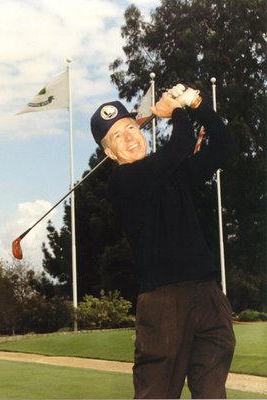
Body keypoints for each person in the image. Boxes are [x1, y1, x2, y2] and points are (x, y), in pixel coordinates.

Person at [90, 85, 236, 399]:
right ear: (110, 153)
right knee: (156, 393)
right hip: (163, 304)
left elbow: (224, 144)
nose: (129, 137)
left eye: (130, 127)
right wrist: (177, 111)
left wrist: (197, 106)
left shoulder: (173, 173)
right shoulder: (122, 182)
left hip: (208, 295)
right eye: (117, 136)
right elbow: (179, 146)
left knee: (212, 392)